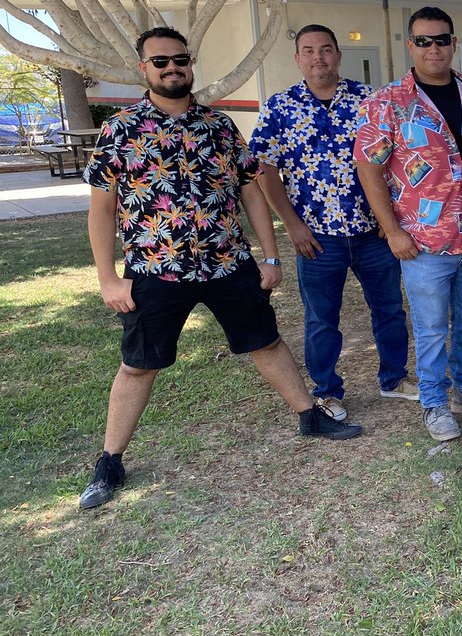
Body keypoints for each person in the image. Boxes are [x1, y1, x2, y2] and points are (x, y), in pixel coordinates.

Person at [79, 27, 360, 511]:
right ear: (144, 69)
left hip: (228, 262)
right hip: (157, 269)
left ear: (190, 64)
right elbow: (102, 209)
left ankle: (310, 416)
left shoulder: (220, 126)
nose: (172, 68)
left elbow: (251, 190)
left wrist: (270, 257)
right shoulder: (120, 130)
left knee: (266, 342)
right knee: (139, 365)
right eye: (160, 61)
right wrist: (108, 276)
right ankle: (110, 460)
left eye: (180, 60)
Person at [355, 7, 462, 442]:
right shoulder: (388, 103)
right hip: (423, 240)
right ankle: (435, 403)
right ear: (410, 45)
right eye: (423, 40)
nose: (433, 48)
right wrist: (393, 230)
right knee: (432, 326)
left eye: (441, 39)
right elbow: (369, 168)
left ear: (454, 43)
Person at [250, 24, 411, 423]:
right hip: (316, 237)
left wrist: (387, 218)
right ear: (298, 59)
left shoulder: (369, 101)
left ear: (338, 55)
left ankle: (394, 378)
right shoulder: (280, 107)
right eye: (309, 50)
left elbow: (392, 159)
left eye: (325, 50)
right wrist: (291, 224)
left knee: (389, 309)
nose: (318, 57)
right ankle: (327, 391)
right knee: (322, 318)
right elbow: (263, 168)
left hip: (371, 233)